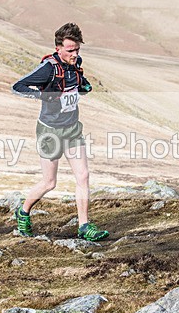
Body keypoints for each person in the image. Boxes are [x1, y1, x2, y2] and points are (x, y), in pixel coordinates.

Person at [11, 22, 109, 241]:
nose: (75, 54)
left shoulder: (76, 64)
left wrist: (83, 86)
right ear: (59, 48)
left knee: (83, 175)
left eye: (77, 50)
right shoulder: (48, 68)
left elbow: (76, 86)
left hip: (72, 128)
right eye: (70, 50)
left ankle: (84, 226)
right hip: (50, 131)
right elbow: (17, 86)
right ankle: (23, 212)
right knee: (50, 183)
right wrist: (42, 96)